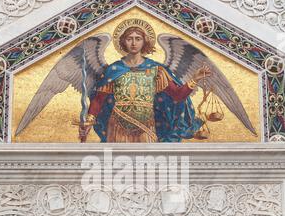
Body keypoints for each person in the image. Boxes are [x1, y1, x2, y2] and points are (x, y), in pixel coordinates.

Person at [80, 21, 211, 142]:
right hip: (117, 126)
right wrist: (89, 121)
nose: (133, 43)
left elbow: (177, 95)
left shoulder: (156, 70)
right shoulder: (113, 70)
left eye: (138, 39)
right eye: (129, 39)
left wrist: (195, 78)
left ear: (144, 42)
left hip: (146, 126)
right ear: (123, 42)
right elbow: (98, 100)